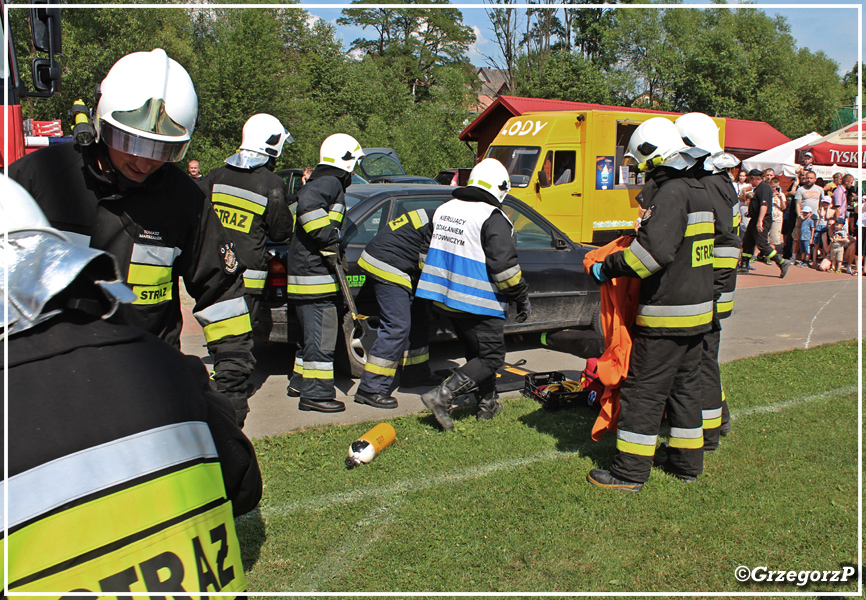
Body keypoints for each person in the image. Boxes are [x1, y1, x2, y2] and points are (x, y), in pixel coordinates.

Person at [2, 178, 262, 596]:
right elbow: (243, 485)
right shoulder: (50, 177)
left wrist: (231, 381)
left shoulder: (179, 200)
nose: (142, 161)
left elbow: (214, 289)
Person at [9, 48, 257, 427]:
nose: (145, 162)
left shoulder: (184, 201)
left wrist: (233, 391)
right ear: (100, 122)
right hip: (47, 395)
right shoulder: (39, 180)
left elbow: (221, 294)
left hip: (146, 391)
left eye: (162, 150)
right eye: (133, 144)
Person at [585, 117, 715, 492]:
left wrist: (605, 267)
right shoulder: (698, 189)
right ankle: (686, 462)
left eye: (641, 166)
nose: (641, 175)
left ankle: (628, 472)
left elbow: (650, 256)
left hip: (666, 315)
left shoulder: (671, 193)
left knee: (643, 390)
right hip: (697, 313)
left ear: (651, 156)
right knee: (685, 389)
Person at [416, 158, 531, 430]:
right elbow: (505, 269)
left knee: (476, 353)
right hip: (480, 301)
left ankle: (488, 404)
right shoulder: (492, 217)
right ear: (501, 188)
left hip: (446, 298)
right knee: (491, 358)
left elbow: (424, 254)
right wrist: (520, 296)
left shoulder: (444, 210)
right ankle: (441, 396)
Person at [675, 112, 741, 448]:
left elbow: (727, 246)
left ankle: (710, 431)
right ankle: (718, 419)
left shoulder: (711, 184)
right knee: (704, 360)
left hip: (709, 293)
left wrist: (710, 291)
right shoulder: (721, 180)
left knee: (701, 362)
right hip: (712, 291)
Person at [285, 133, 363, 413]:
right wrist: (328, 236)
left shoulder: (324, 180)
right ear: (347, 160)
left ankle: (299, 383)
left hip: (306, 275)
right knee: (321, 338)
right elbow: (307, 204)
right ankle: (316, 395)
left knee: (309, 339)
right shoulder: (329, 182)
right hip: (314, 277)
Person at [200, 113, 294, 324]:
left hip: (214, 272)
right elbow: (280, 232)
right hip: (247, 279)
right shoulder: (271, 184)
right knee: (241, 339)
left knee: (218, 332)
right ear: (273, 145)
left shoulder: (215, 176)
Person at [353, 207, 440, 408]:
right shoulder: (445, 223)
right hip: (388, 263)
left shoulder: (439, 212)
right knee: (397, 326)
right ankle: (371, 388)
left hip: (400, 263)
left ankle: (415, 374)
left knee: (418, 316)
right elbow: (429, 262)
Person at [738, 168, 791, 278]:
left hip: (762, 219)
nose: (749, 182)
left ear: (753, 178)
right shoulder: (758, 188)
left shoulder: (764, 188)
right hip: (755, 218)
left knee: (762, 244)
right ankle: (744, 265)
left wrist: (760, 221)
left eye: (749, 179)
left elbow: (764, 205)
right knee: (747, 241)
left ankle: (781, 262)